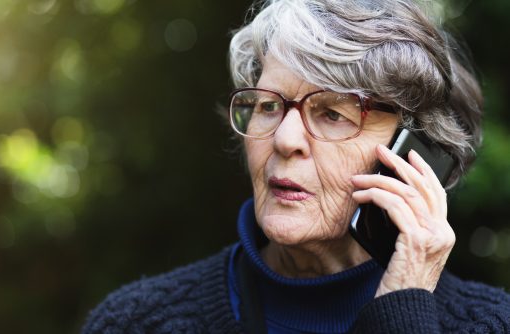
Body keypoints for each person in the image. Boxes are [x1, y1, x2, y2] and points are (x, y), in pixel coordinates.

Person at [82, 0, 510, 333]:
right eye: (269, 106)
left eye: (332, 114)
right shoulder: (136, 322)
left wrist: (403, 311)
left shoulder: (491, 324)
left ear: (415, 154)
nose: (284, 140)